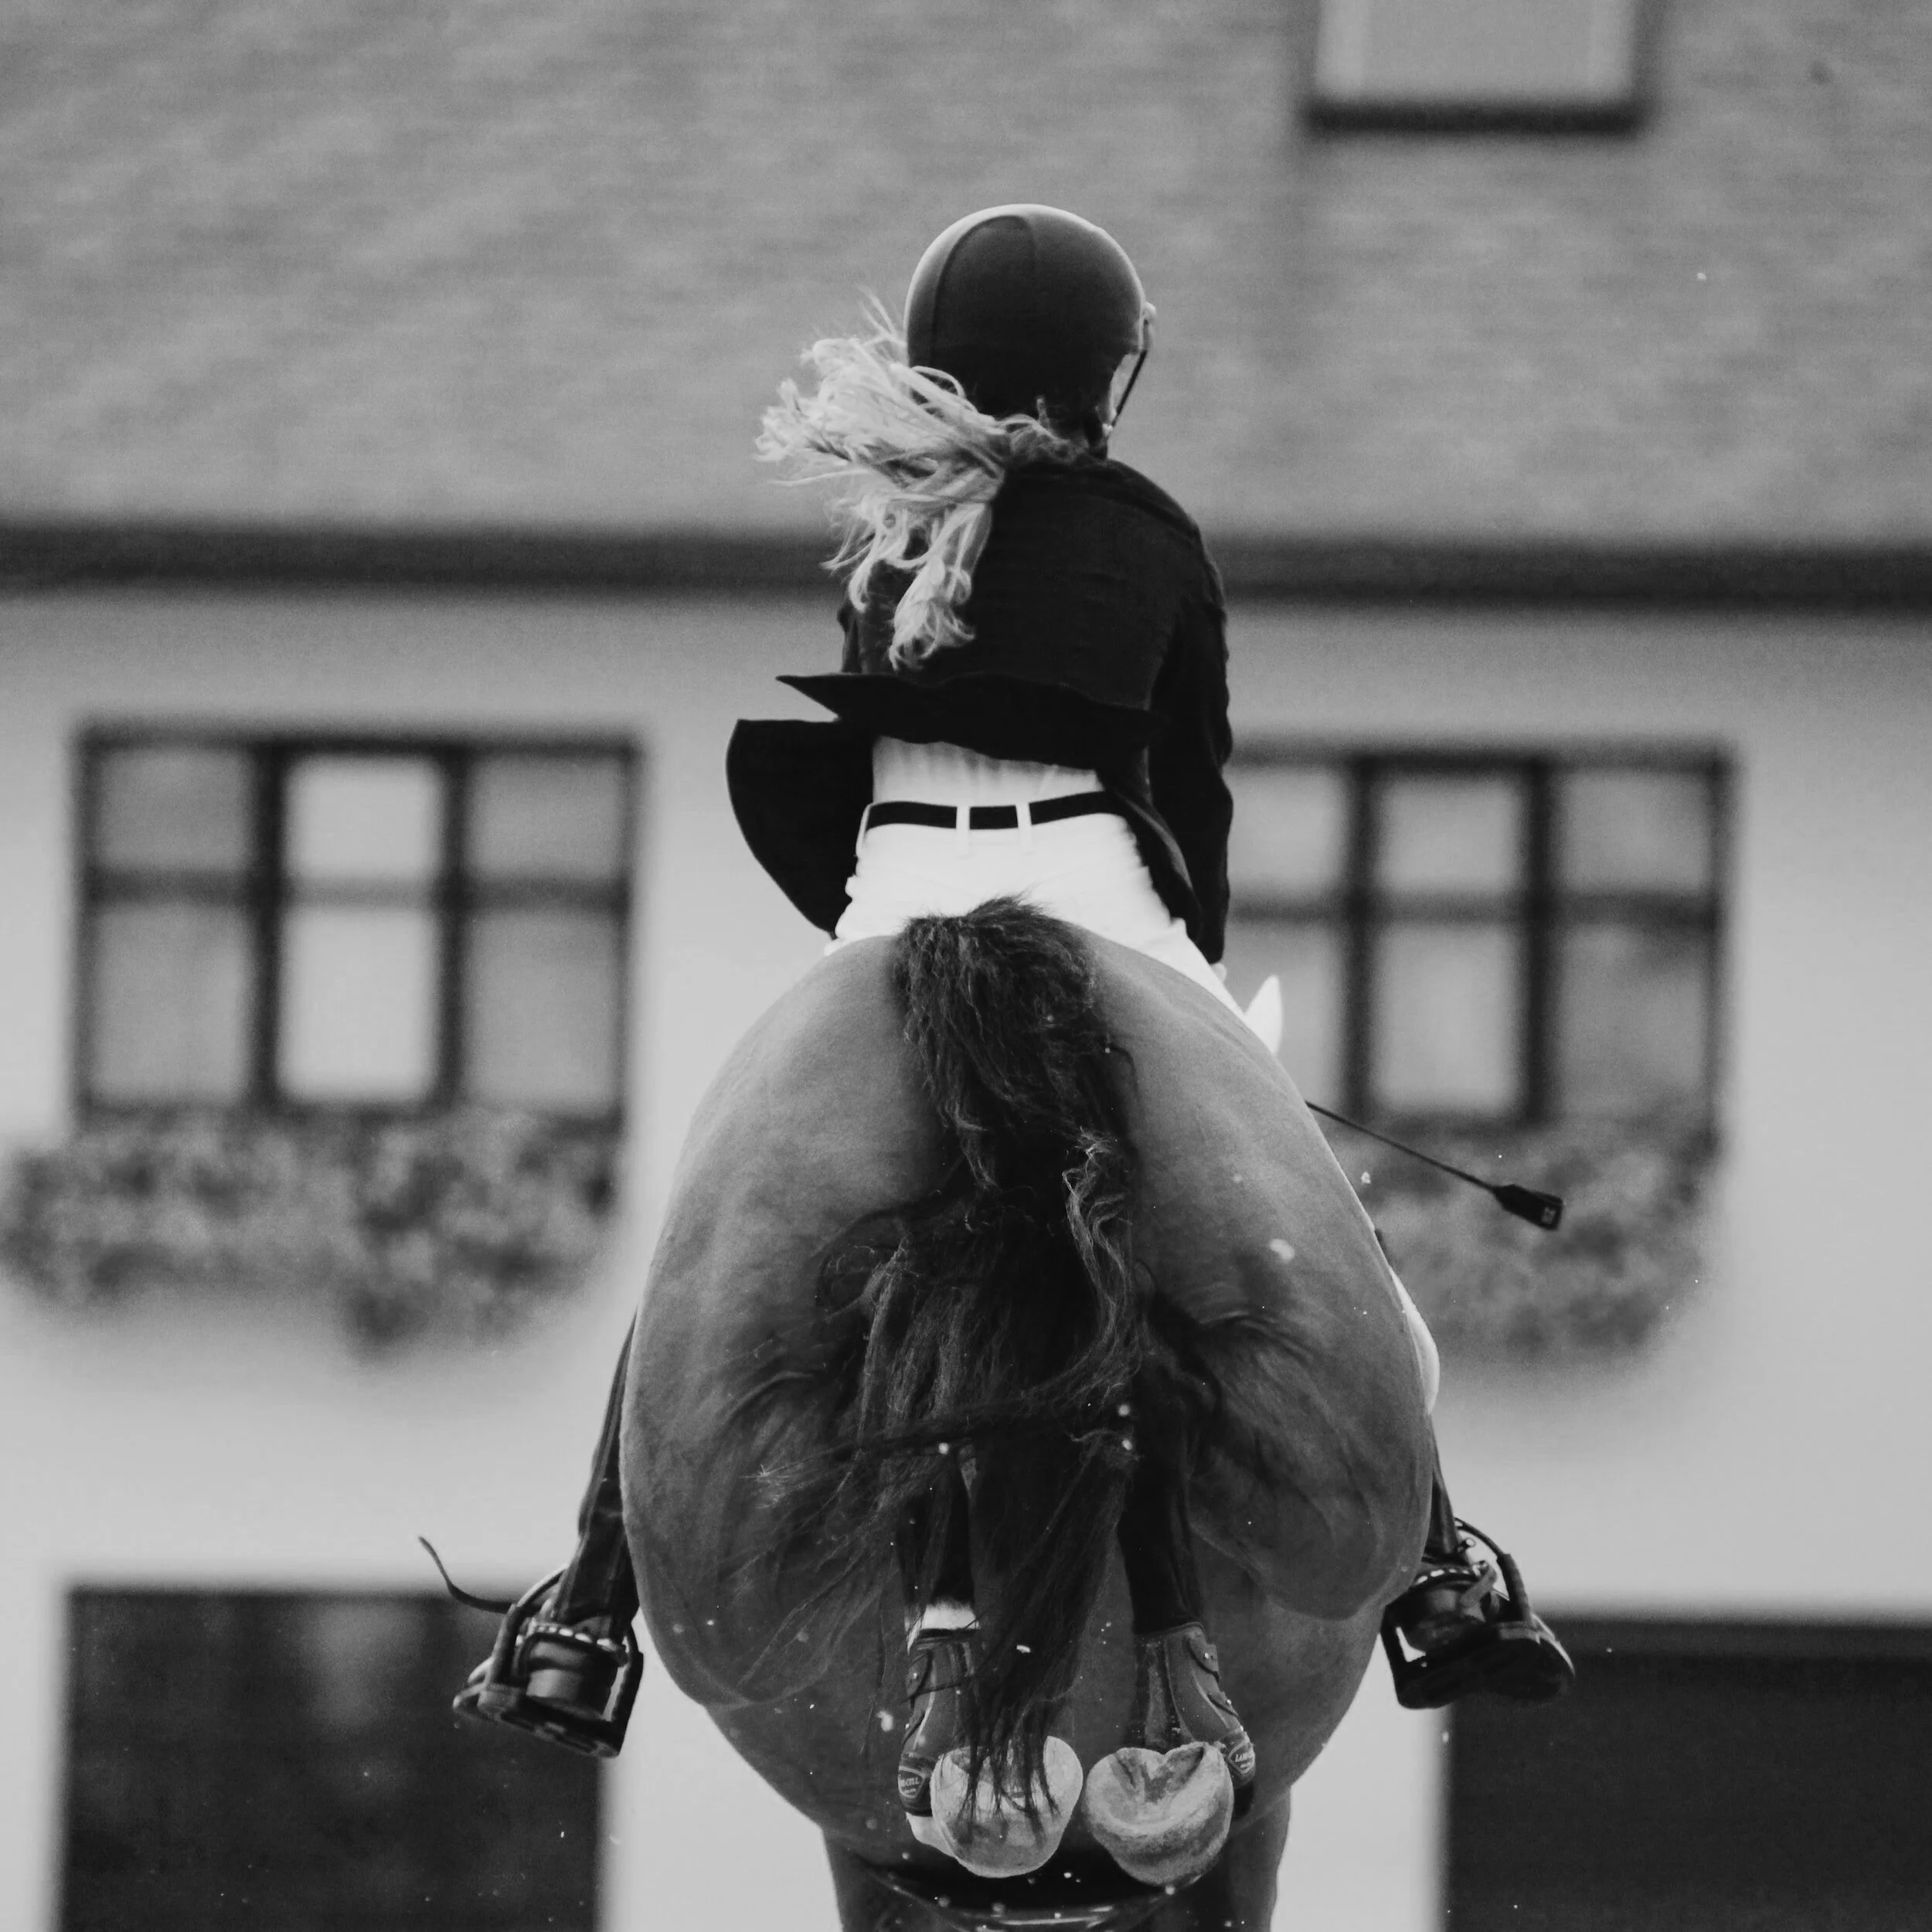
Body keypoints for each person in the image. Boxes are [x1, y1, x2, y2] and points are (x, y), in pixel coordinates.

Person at [454, 206, 1572, 1802]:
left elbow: (855, 757)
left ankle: (584, 1614)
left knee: (716, 1231)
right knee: (1322, 1219)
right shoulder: (1151, 531)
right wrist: (1194, 972)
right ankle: (1443, 1567)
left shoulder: (894, 523)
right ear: (1101, 370)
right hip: (1096, 886)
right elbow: (1190, 776)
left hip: (892, 890)